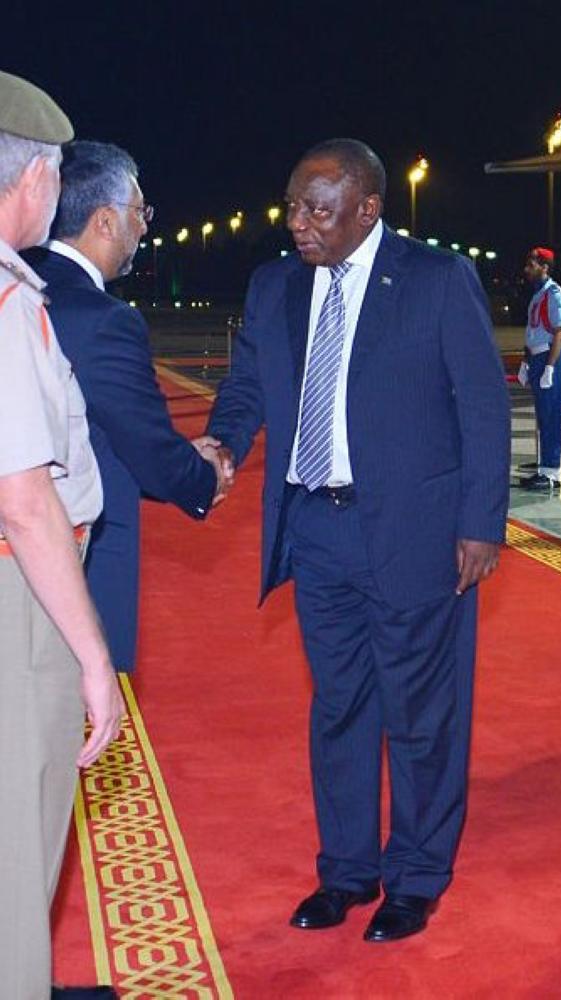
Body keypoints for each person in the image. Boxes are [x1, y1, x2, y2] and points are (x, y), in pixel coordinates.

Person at [204, 139, 510, 942]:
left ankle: (415, 877)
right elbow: (244, 386)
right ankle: (346, 873)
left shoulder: (437, 281)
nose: (297, 222)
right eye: (294, 206)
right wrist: (222, 444)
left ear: (367, 209)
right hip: (314, 529)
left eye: (318, 210)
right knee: (339, 707)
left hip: (416, 533)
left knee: (419, 713)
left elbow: (482, 405)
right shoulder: (274, 287)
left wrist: (482, 523)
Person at [0, 70, 123, 1000]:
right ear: (34, 177)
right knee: (17, 851)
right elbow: (25, 500)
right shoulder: (7, 306)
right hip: (19, 600)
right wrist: (91, 657)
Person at [24, 140, 228, 672]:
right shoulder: (103, 319)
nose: (145, 228)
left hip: (22, 551)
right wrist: (203, 476)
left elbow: (82, 435)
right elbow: (145, 444)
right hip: (73, 562)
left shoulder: (20, 287)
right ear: (106, 221)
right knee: (65, 728)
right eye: (140, 213)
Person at [517, 246, 561, 490]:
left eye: (532, 265)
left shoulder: (554, 294)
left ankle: (552, 473)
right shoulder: (538, 295)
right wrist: (526, 362)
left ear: (544, 267)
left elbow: (559, 333)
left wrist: (550, 367)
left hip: (551, 357)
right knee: (543, 416)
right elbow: (532, 333)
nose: (528, 269)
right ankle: (544, 468)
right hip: (538, 358)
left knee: (552, 416)